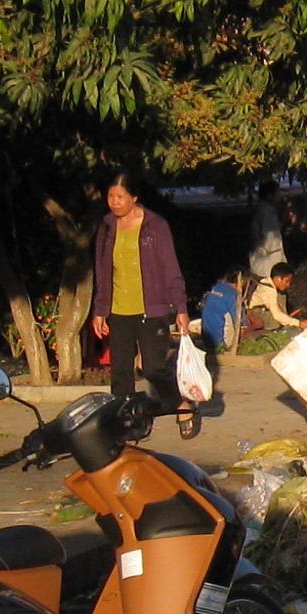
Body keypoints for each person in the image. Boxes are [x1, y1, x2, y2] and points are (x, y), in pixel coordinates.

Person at [90, 172, 198, 439]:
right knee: (121, 373)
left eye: (120, 197)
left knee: (153, 368)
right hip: (118, 310)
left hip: (152, 309)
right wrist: (100, 310)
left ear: (134, 197)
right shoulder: (106, 227)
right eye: (110, 197)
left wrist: (181, 307)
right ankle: (125, 425)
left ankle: (180, 404)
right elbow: (102, 271)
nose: (114, 202)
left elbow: (170, 267)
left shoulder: (155, 226)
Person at [249, 262, 307, 332]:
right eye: (287, 281)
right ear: (278, 279)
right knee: (275, 321)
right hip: (256, 313)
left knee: (281, 296)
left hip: (263, 310)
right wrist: (299, 324)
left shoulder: (270, 284)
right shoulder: (268, 291)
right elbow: (277, 315)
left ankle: (286, 320)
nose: (288, 285)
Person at [198, 269, 245, 353]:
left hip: (206, 339)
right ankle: (227, 347)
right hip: (221, 342)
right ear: (241, 281)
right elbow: (240, 321)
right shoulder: (233, 294)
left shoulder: (215, 288)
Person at [248, 179, 286, 280]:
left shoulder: (267, 209)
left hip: (267, 259)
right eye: (277, 192)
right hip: (268, 261)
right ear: (269, 195)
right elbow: (270, 238)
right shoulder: (265, 212)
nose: (279, 195)